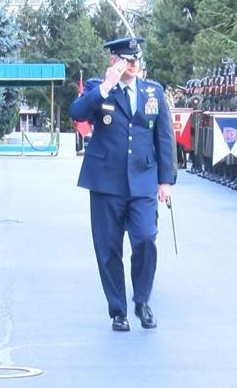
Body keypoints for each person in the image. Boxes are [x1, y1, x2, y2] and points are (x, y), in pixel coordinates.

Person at [69, 37, 175, 332]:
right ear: (113, 61)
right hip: (105, 182)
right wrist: (105, 86)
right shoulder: (97, 89)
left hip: (142, 180)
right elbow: (77, 112)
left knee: (145, 238)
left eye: (135, 59)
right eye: (126, 59)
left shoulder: (153, 91)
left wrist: (166, 179)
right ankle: (118, 310)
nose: (133, 65)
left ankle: (142, 300)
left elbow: (163, 137)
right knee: (108, 249)